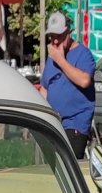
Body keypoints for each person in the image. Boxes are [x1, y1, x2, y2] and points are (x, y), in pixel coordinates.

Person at [36, 12, 96, 158]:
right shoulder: (52, 58)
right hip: (54, 122)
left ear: (69, 32)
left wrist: (61, 60)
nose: (55, 41)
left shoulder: (83, 54)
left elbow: (84, 81)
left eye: (59, 36)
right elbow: (45, 88)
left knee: (68, 164)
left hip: (74, 124)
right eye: (52, 37)